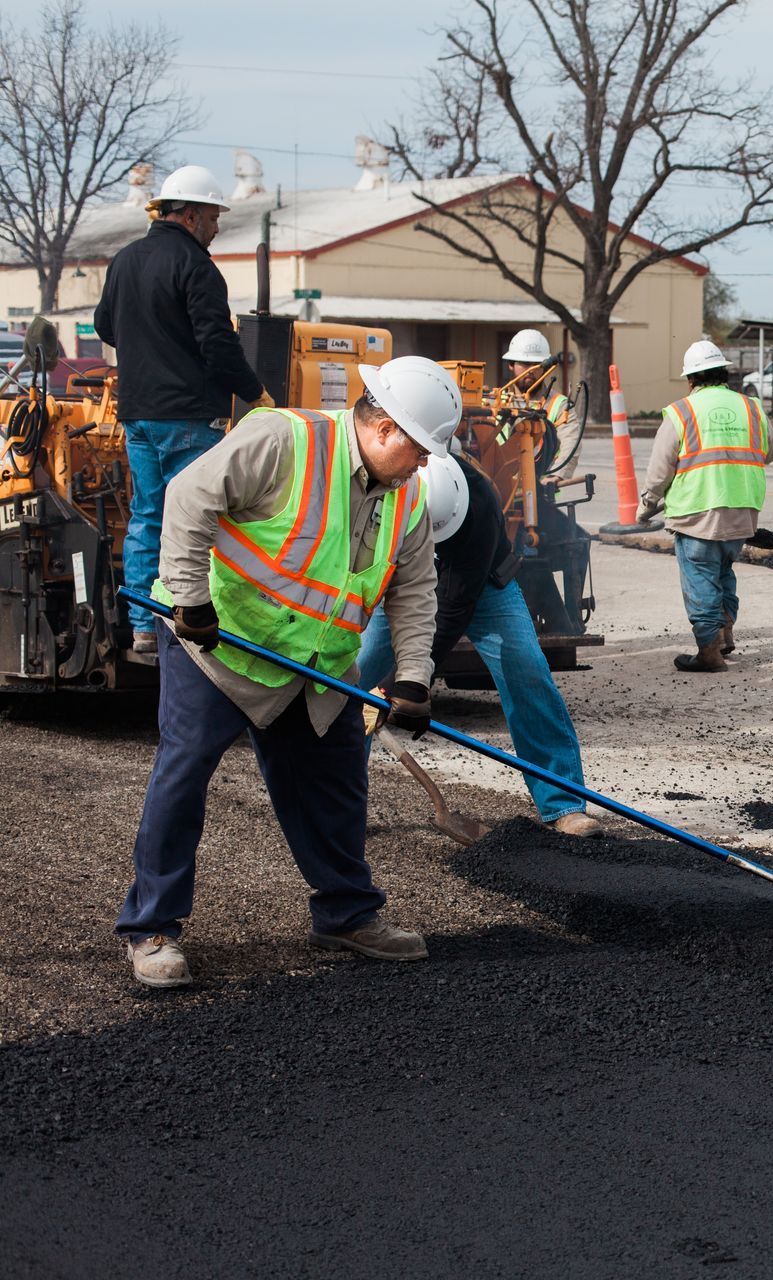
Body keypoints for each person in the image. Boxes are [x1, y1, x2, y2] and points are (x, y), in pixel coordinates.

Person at [116, 357, 460, 989]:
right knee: (184, 772)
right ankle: (152, 927)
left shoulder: (408, 498)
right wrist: (190, 598)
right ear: (383, 428)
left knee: (336, 782)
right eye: (421, 448)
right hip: (218, 647)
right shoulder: (284, 440)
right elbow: (187, 498)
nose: (426, 464)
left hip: (314, 663)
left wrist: (413, 676)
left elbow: (414, 591)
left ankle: (346, 914)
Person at [356, 449, 604, 838]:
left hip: (482, 586)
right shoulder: (387, 485)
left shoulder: (477, 504)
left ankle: (563, 804)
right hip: (402, 582)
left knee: (525, 669)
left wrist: (399, 685)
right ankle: (340, 804)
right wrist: (378, 685)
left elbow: (451, 612)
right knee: (359, 671)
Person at [93, 164, 271, 656]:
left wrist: (148, 341)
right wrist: (254, 391)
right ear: (190, 215)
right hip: (190, 417)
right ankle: (196, 621)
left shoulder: (126, 259)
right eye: (214, 217)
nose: (216, 227)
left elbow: (106, 326)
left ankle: (146, 625)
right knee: (201, 517)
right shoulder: (196, 267)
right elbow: (216, 343)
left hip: (136, 414)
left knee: (148, 515)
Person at [638, 340, 773, 672]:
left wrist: (647, 504)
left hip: (696, 511)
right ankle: (725, 632)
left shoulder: (681, 412)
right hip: (741, 509)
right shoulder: (751, 407)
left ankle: (709, 652)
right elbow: (770, 452)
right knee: (723, 571)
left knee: (700, 577)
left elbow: (661, 468)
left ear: (691, 380)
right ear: (724, 373)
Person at [500, 327, 582, 481]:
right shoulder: (495, 403)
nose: (531, 370)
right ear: (511, 364)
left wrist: (555, 477)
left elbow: (571, 445)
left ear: (545, 368)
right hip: (497, 491)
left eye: (537, 364)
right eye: (525, 364)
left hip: (541, 495)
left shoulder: (560, 405)